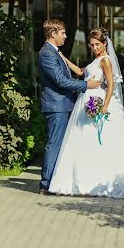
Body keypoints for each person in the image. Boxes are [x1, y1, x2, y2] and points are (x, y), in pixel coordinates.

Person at [49, 27, 124, 198]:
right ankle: (83, 179)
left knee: (101, 140)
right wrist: (63, 58)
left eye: (97, 45)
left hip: (98, 99)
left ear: (104, 44)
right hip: (85, 101)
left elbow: (111, 84)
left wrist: (105, 105)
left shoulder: (105, 60)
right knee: (82, 138)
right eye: (92, 45)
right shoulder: (94, 60)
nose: (94, 48)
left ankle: (102, 179)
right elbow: (81, 72)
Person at [38, 19, 101, 195]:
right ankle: (46, 183)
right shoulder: (47, 54)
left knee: (61, 144)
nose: (66, 36)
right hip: (56, 106)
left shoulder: (55, 52)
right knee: (54, 144)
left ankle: (54, 181)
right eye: (63, 33)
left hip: (63, 104)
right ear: (53, 34)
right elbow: (60, 80)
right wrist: (86, 85)